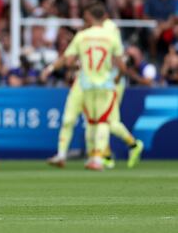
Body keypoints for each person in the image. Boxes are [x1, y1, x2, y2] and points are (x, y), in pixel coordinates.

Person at [42, 17, 144, 169]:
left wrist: (117, 77)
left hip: (107, 82)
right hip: (90, 82)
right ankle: (100, 156)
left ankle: (130, 145)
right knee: (93, 121)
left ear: (90, 17)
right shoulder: (94, 33)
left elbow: (117, 59)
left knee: (108, 121)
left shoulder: (104, 31)